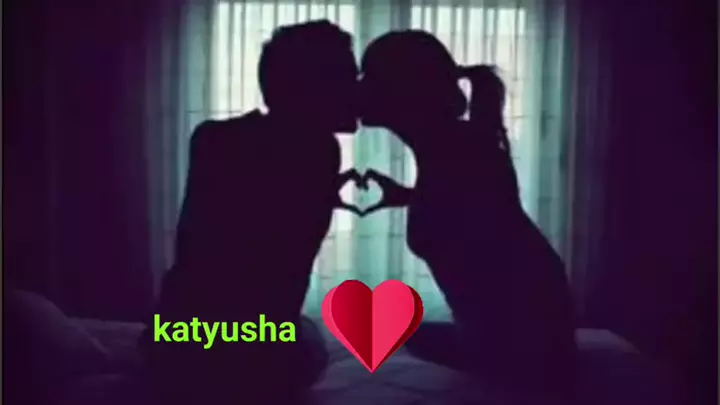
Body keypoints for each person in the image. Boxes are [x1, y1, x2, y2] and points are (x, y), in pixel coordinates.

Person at [139, 20, 363, 404]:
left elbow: (222, 240)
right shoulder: (320, 152)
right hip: (252, 356)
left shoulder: (214, 138)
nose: (356, 89)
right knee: (309, 341)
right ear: (314, 87)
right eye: (347, 77)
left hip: (176, 340)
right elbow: (274, 270)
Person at [357, 31, 579, 401]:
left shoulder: (460, 149)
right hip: (515, 338)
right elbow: (477, 216)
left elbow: (487, 242)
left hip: (521, 349)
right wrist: (410, 197)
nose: (358, 87)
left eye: (369, 77)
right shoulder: (451, 145)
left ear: (403, 90)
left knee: (388, 333)